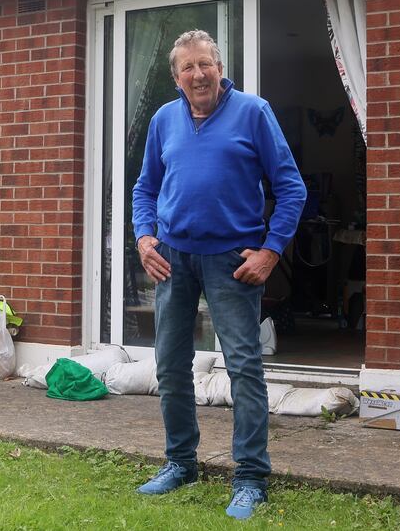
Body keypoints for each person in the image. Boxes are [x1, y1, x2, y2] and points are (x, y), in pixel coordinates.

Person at [131, 30, 306, 520]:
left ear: (220, 66)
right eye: (187, 67)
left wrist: (271, 251)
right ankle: (180, 463)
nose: (198, 74)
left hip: (233, 261)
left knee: (244, 368)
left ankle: (250, 477)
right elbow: (145, 188)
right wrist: (145, 239)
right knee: (169, 366)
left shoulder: (253, 112)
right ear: (176, 77)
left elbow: (291, 188)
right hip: (173, 258)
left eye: (205, 64)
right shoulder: (164, 119)